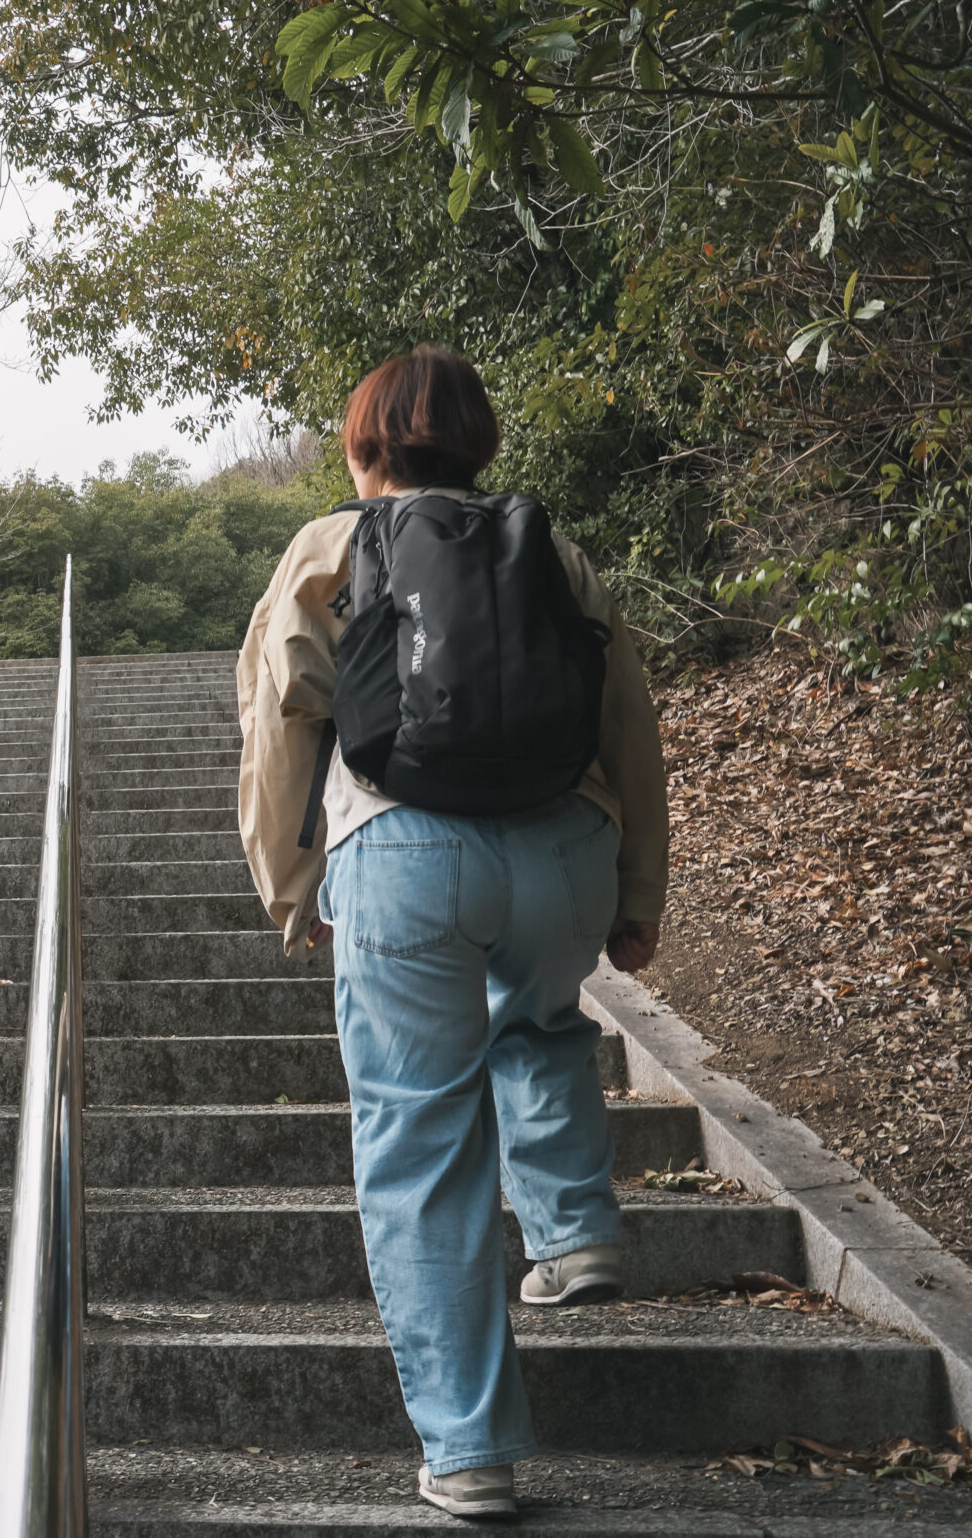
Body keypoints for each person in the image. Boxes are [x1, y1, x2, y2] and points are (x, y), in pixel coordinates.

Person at [234, 346, 668, 1521]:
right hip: (565, 854)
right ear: (479, 443)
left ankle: (470, 1448)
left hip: (404, 851)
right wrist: (639, 890)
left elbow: (282, 722)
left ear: (359, 444)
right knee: (537, 1018)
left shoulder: (327, 551)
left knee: (422, 1144)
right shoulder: (551, 548)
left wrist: (291, 886)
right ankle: (576, 1233)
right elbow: (628, 720)